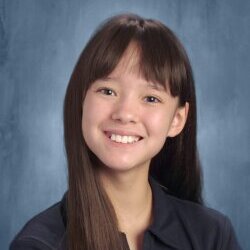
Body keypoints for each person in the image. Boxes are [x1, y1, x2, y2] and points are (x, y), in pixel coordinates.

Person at [10, 13, 241, 250]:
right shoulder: (39, 244)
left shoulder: (213, 236)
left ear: (177, 120)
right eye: (108, 91)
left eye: (151, 98)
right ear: (81, 102)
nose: (125, 113)